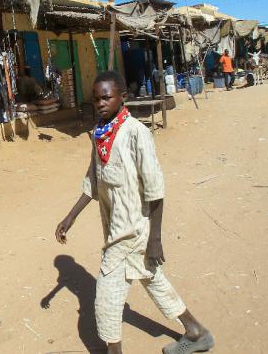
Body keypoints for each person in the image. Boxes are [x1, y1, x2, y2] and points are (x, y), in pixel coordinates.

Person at [53, 71, 213, 354]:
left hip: (134, 229)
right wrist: (70, 217)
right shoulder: (100, 134)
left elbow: (155, 190)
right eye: (96, 98)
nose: (100, 103)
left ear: (122, 97)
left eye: (107, 97)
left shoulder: (136, 132)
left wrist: (155, 239)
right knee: (152, 279)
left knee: (105, 299)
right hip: (115, 226)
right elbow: (94, 179)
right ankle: (196, 331)